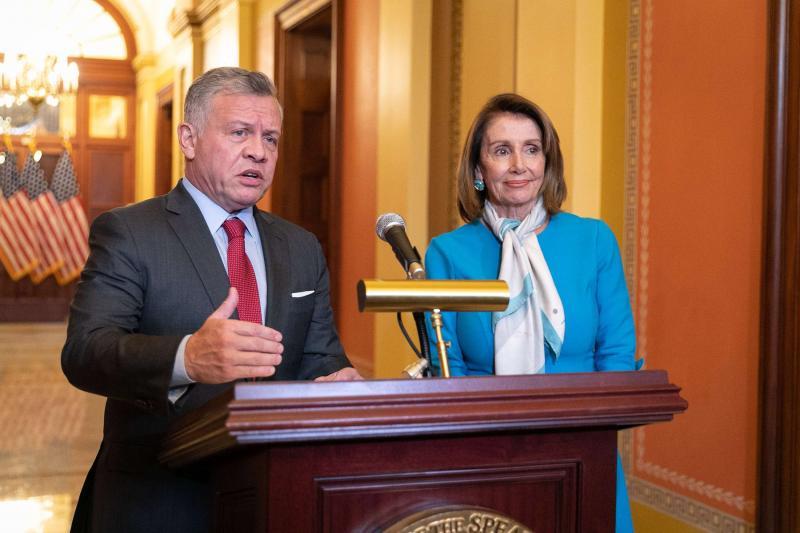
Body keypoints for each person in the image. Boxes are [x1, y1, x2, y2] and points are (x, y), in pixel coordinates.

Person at [61, 67, 361, 533]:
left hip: (276, 495)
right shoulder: (130, 232)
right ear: (189, 139)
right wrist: (187, 357)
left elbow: (319, 357)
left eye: (270, 138)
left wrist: (337, 382)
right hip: (162, 499)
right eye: (239, 132)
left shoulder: (301, 246)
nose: (258, 151)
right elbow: (85, 352)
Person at [425, 93, 639, 532]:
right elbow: (449, 369)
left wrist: (593, 430)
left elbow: (616, 354)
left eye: (532, 149)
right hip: (486, 453)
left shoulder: (594, 240)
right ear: (478, 170)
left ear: (547, 162)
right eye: (502, 151)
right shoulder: (446, 253)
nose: (519, 165)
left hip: (584, 447)